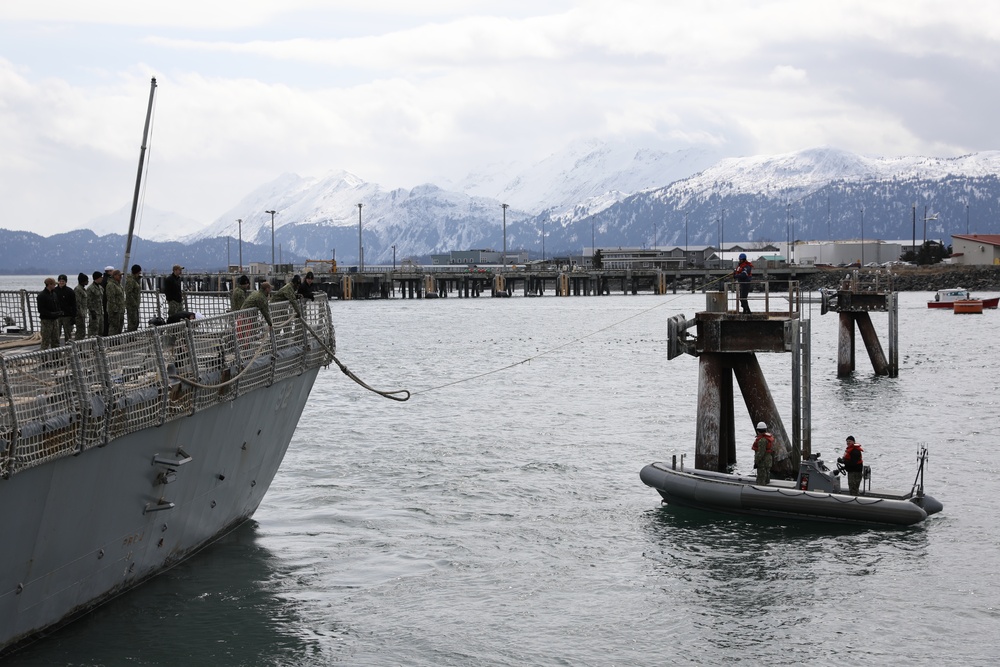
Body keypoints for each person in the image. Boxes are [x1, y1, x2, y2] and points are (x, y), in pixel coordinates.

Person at [37, 277, 63, 350]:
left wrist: (58, 312)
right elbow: (41, 310)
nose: (55, 286)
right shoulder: (42, 296)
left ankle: (56, 358)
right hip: (46, 321)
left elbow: (57, 305)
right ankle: (44, 358)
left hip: (55, 320)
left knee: (56, 340)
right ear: (49, 285)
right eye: (54, 284)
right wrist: (51, 314)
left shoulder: (54, 294)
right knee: (46, 341)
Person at [54, 274, 77, 344]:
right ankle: (56, 348)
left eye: (63, 281)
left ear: (66, 282)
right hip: (57, 316)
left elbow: (74, 304)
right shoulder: (54, 291)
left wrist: (73, 316)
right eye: (60, 281)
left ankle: (68, 349)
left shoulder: (70, 291)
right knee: (56, 334)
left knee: (68, 334)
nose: (61, 282)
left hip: (67, 315)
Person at [751, 421, 774, 485]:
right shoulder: (768, 438)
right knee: (767, 477)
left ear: (758, 430)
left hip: (762, 463)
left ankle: (760, 490)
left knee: (761, 479)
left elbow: (761, 453)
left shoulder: (762, 440)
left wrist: (756, 462)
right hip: (768, 461)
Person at [106, 270, 126, 335]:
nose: (121, 277)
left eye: (121, 275)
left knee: (119, 327)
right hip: (114, 311)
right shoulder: (111, 285)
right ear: (114, 276)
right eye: (119, 275)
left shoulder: (118, 284)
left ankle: (117, 341)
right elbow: (111, 298)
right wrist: (114, 309)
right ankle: (111, 342)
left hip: (120, 309)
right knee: (114, 327)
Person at [86, 271, 105, 337]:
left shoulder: (100, 288)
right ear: (97, 278)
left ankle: (100, 344)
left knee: (100, 330)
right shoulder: (90, 288)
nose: (102, 279)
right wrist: (92, 311)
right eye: (101, 277)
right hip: (94, 312)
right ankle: (92, 344)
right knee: (93, 330)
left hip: (100, 312)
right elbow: (88, 301)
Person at [125, 264, 142, 331]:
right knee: (132, 322)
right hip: (131, 305)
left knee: (136, 321)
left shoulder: (135, 280)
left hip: (135, 305)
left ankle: (133, 335)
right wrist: (134, 302)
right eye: (139, 272)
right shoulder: (130, 281)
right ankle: (130, 337)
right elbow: (128, 293)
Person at [73, 273, 89, 341]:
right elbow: (77, 303)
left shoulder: (82, 289)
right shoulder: (78, 289)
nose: (87, 282)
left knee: (82, 331)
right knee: (80, 331)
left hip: (83, 313)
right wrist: (80, 313)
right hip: (79, 315)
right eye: (86, 280)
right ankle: (77, 346)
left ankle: (79, 346)